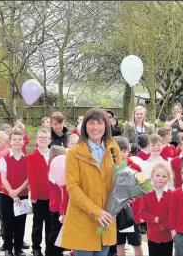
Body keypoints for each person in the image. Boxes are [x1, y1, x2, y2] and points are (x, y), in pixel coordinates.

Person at [60, 108, 122, 256]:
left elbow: (119, 179)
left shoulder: (113, 148)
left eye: (100, 123)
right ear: (84, 126)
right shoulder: (74, 153)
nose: (96, 127)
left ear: (106, 126)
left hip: (106, 220)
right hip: (83, 219)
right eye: (91, 123)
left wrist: (127, 194)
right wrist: (96, 212)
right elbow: (73, 188)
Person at [0, 129, 29, 256]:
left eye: (19, 139)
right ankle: (8, 249)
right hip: (7, 195)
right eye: (14, 139)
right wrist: (12, 192)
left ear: (23, 142)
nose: (17, 141)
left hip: (22, 195)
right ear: (10, 142)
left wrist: (18, 191)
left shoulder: (27, 159)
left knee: (20, 223)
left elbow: (29, 178)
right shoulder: (4, 158)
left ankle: (18, 249)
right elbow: (3, 178)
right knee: (7, 223)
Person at [113, 136, 143, 256]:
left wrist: (133, 198)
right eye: (118, 151)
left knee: (136, 242)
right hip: (116, 211)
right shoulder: (109, 167)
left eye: (124, 151)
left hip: (132, 212)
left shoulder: (135, 167)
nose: (122, 154)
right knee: (119, 242)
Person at [27, 129, 52, 256]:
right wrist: (34, 196)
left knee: (50, 224)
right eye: (40, 137)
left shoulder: (54, 155)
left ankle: (49, 247)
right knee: (37, 224)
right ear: (36, 140)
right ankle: (36, 248)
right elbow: (31, 178)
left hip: (52, 197)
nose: (43, 139)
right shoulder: (31, 157)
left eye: (46, 137)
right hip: (39, 196)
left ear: (50, 140)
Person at [140, 162, 174, 256]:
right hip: (152, 235)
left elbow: (173, 215)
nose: (160, 178)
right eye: (158, 175)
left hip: (167, 236)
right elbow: (142, 213)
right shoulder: (147, 194)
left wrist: (163, 226)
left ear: (168, 178)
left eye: (164, 176)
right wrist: (154, 219)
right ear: (152, 176)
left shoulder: (171, 195)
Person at [47, 145, 67, 256]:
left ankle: (58, 250)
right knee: (55, 231)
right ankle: (51, 252)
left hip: (61, 206)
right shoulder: (53, 170)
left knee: (60, 231)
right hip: (57, 206)